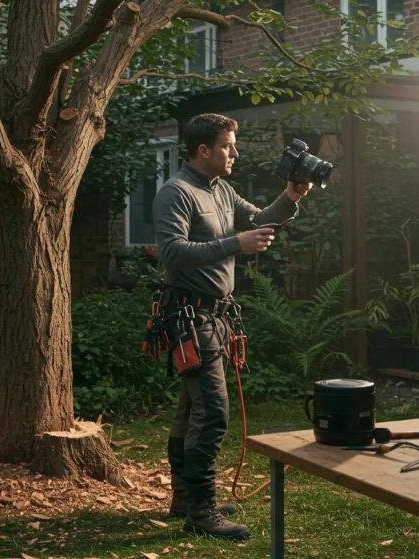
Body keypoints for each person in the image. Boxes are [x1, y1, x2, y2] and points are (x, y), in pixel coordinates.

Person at [153, 113, 313, 540]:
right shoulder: (177, 192)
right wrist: (234, 245)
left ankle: (186, 500)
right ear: (203, 150)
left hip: (217, 316)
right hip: (188, 316)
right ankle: (202, 513)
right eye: (227, 145)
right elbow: (171, 252)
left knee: (191, 412)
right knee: (212, 413)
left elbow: (262, 218)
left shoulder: (221, 189)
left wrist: (291, 196)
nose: (234, 153)